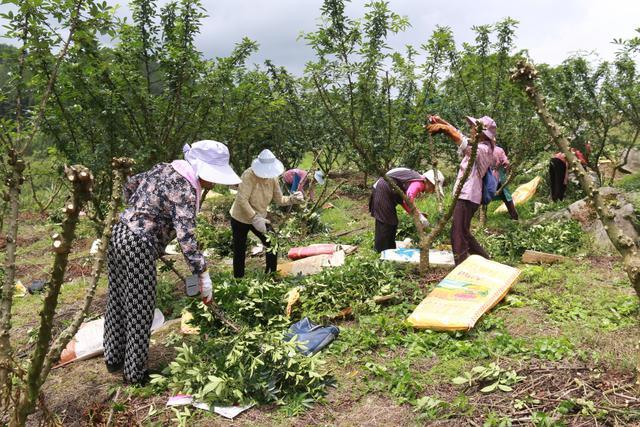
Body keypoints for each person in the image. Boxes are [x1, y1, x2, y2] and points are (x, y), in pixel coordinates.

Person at [104, 140, 242, 385]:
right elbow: (186, 238)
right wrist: (203, 273)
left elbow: (129, 186)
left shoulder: (164, 168)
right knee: (140, 309)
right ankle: (134, 375)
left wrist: (141, 216)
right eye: (211, 176)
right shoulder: (186, 188)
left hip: (119, 233)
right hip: (138, 244)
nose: (212, 182)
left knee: (117, 298)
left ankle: (113, 358)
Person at [427, 115, 495, 265]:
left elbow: (463, 143)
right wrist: (443, 122)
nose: (471, 129)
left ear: (482, 133)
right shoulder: (479, 144)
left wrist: (445, 129)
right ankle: (487, 262)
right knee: (463, 232)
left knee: (457, 234)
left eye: (474, 127)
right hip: (466, 195)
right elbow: (461, 135)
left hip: (468, 196)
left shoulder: (484, 149)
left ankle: (460, 267)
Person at [230, 149, 304, 278]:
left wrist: (292, 199)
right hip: (240, 217)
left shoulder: (272, 178)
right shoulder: (248, 175)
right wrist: (254, 218)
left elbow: (279, 199)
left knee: (272, 243)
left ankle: (271, 274)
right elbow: (242, 199)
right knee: (240, 249)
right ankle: (238, 279)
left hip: (260, 218)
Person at [368, 168, 444, 252]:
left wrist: (418, 214)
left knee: (392, 223)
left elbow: (405, 202)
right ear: (430, 182)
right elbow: (408, 199)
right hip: (383, 190)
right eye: (433, 188)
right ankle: (381, 252)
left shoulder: (414, 180)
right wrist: (419, 216)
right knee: (386, 222)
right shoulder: (419, 183)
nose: (432, 191)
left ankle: (389, 251)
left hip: (384, 190)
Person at [493, 145, 518, 220]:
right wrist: (506, 170)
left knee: (482, 197)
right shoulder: (499, 150)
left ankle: (480, 219)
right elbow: (506, 163)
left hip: (488, 177)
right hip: (499, 177)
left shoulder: (481, 148)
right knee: (507, 197)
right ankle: (514, 217)